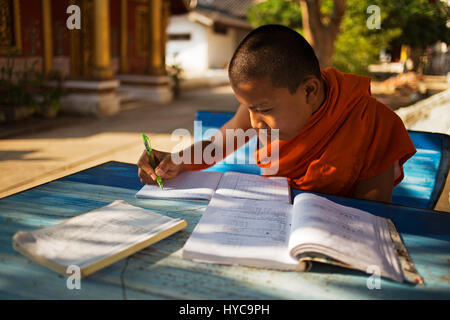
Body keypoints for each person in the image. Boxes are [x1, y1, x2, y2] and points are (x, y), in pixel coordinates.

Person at [137, 25, 416, 203]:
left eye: (264, 110)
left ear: (309, 90)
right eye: (249, 108)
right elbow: (216, 146)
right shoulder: (259, 107)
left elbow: (370, 213)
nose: (255, 123)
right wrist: (176, 160)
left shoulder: (371, 122)